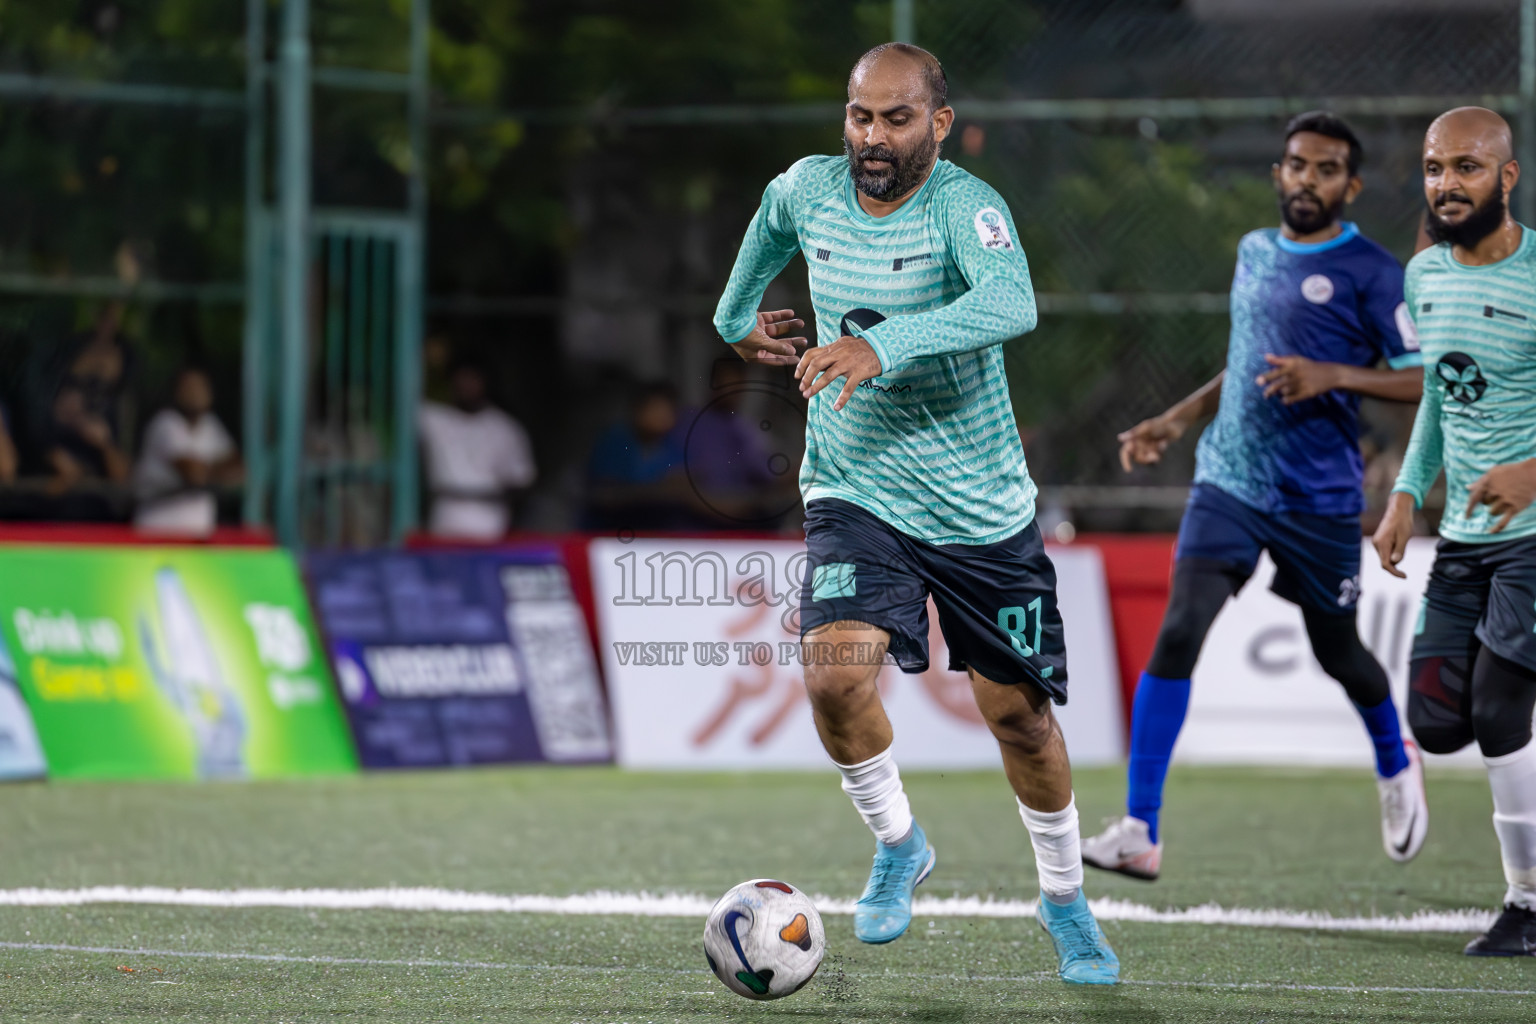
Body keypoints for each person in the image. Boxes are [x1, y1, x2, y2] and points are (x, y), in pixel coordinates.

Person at [713, 43, 1118, 984]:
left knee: (1019, 719)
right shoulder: (808, 189)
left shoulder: (966, 207)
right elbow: (768, 233)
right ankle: (899, 842)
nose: (873, 138)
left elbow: (1012, 303)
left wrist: (881, 347)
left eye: (896, 119)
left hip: (980, 509)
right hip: (856, 487)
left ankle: (1065, 901)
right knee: (832, 679)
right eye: (860, 117)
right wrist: (736, 316)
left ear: (937, 122)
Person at [1084, 113, 1429, 882]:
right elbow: (1243, 363)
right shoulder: (1253, 251)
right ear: (1278, 173)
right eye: (1297, 165)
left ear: (1352, 185)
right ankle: (1141, 829)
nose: (1309, 179)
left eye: (1327, 169)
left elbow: (1421, 378)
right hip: (1229, 481)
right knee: (1178, 632)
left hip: (1318, 497)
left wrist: (1333, 375)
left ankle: (1393, 758)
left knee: (1337, 652)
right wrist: (1174, 419)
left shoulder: (1373, 272)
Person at [1373, 106, 1536, 957]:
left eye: (1467, 168)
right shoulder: (1423, 276)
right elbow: (1438, 392)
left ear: (1506, 178)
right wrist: (1406, 493)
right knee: (1439, 723)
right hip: (1465, 535)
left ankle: (1527, 904)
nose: (1447, 184)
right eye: (1436, 167)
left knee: (1502, 703)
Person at [417, 359, 536, 540]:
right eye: (461, 379)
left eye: (473, 379)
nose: (466, 386)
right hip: (445, 514)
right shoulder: (434, 419)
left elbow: (521, 481)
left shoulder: (505, 427)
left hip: (489, 519)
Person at [134, 366, 243, 535]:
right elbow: (193, 475)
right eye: (189, 387)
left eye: (201, 387)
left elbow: (239, 470)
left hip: (199, 533)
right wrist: (217, 469)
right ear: (176, 392)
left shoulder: (211, 425)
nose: (196, 393)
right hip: (157, 532)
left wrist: (207, 470)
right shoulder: (165, 423)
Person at [583, 381, 692, 531]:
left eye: (668, 410)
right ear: (637, 409)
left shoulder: (674, 447)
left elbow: (683, 490)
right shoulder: (614, 441)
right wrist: (658, 491)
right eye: (655, 408)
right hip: (608, 532)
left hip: (655, 534)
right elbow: (604, 496)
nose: (662, 416)